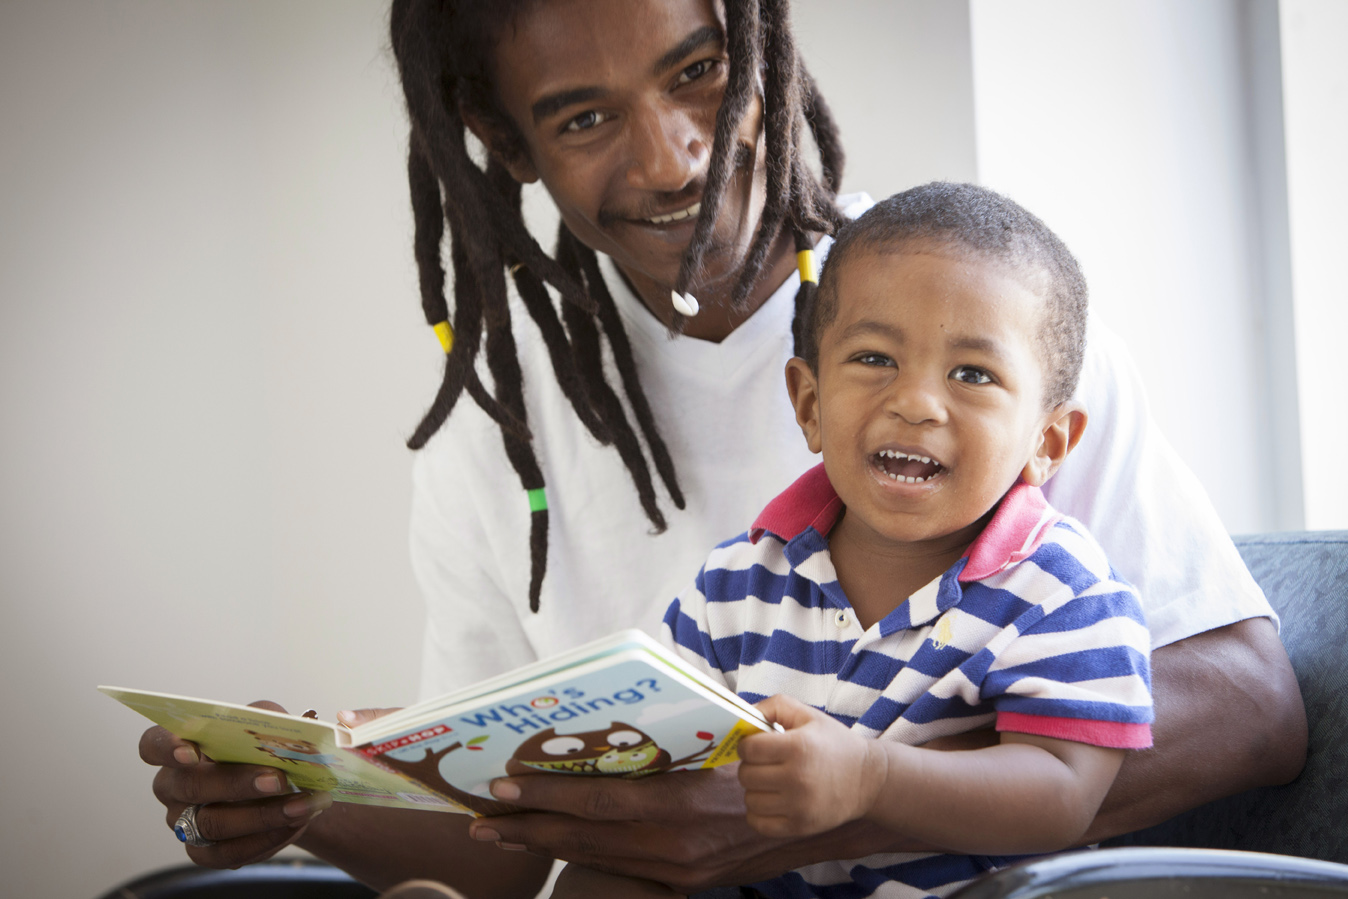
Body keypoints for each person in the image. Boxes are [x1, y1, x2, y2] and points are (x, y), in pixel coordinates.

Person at [136, 1, 1305, 897]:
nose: (671, 160)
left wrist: (827, 809)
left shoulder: (980, 311)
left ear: (761, 48)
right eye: (583, 116)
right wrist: (294, 799)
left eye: (697, 71)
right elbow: (503, 837)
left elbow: (1253, 707)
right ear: (503, 138)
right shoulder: (500, 438)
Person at [640, 182, 1150, 898]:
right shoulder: (732, 583)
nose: (914, 402)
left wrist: (871, 777)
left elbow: (1064, 794)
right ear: (810, 405)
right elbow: (670, 744)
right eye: (875, 358)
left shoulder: (1061, 590)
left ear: (1048, 439)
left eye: (973, 374)